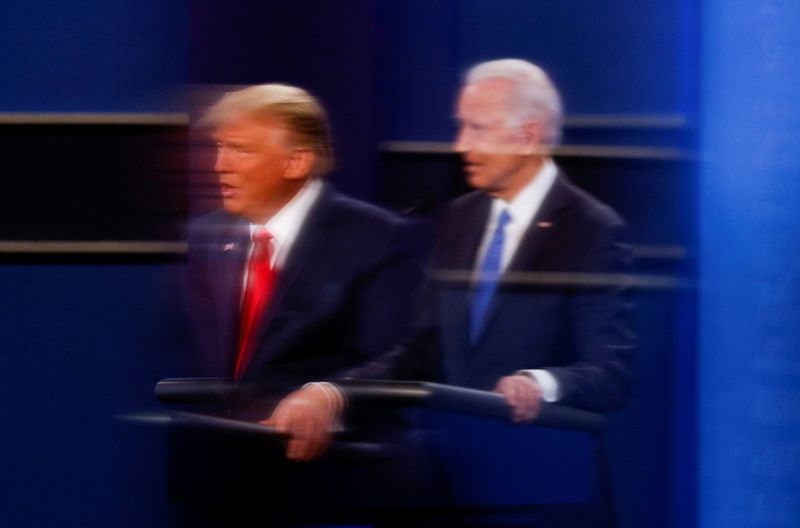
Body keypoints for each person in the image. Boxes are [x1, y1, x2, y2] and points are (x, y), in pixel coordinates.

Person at [267, 59, 634, 464]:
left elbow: (610, 372)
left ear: (529, 135)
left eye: (477, 128)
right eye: (461, 126)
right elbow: (421, 352)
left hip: (538, 474)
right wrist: (332, 393)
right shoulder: (460, 218)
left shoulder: (591, 229)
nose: (461, 145)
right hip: (453, 472)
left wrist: (540, 383)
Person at [184, 83, 421, 419]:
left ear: (296, 162)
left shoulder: (376, 237)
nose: (220, 165)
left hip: (326, 458)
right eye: (220, 147)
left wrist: (332, 396)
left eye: (241, 150)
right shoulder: (205, 236)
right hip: (217, 451)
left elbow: (403, 357)